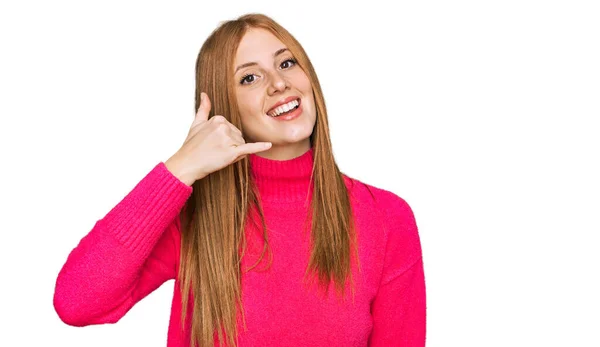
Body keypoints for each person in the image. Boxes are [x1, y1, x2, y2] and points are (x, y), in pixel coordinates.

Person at [53, 12, 426, 347]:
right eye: (250, 77)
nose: (278, 83)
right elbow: (76, 302)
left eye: (287, 63)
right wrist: (180, 169)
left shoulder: (385, 218)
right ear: (224, 108)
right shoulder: (193, 218)